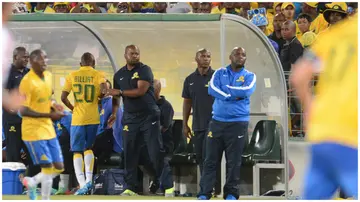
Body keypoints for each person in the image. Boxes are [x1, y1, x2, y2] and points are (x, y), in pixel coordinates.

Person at [289, 15, 358, 200]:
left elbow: (299, 75)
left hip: (322, 130)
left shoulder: (332, 36)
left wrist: (310, 109)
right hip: (350, 133)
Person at [198, 47, 256, 200]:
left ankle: (231, 193)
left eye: (244, 54)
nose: (241, 57)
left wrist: (226, 92)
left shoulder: (250, 76)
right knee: (210, 160)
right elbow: (212, 89)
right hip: (217, 122)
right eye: (237, 54)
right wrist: (233, 95)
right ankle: (205, 192)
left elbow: (246, 91)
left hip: (238, 123)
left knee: (234, 161)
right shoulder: (219, 72)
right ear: (230, 57)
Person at [105, 45, 163, 196]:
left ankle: (163, 182)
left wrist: (120, 91)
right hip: (130, 119)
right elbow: (117, 98)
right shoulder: (119, 75)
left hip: (147, 116)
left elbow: (140, 91)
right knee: (129, 152)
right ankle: (131, 187)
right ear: (125, 55)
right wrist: (114, 112)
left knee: (154, 152)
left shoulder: (144, 70)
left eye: (137, 53)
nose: (135, 56)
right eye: (132, 53)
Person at [19, 49, 65, 200]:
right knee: (46, 167)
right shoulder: (27, 82)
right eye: (41, 59)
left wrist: (55, 106)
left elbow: (47, 99)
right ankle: (45, 199)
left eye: (46, 58)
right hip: (33, 131)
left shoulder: (49, 76)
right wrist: (49, 115)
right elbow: (23, 109)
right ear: (32, 62)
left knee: (59, 167)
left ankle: (32, 181)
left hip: (48, 128)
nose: (45, 61)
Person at [61, 52, 106, 195]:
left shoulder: (72, 75)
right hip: (93, 118)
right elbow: (104, 90)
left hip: (78, 118)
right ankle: (88, 182)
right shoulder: (99, 74)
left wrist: (72, 108)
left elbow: (63, 97)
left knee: (76, 150)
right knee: (88, 148)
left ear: (80, 64)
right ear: (93, 64)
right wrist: (99, 97)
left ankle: (81, 184)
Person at [182, 48, 214, 174]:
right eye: (203, 56)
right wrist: (185, 124)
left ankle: (213, 187)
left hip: (214, 124)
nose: (206, 58)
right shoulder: (190, 80)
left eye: (208, 56)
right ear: (196, 59)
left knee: (210, 156)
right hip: (197, 125)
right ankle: (205, 187)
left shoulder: (216, 77)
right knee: (200, 156)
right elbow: (187, 102)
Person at [3, 47, 30, 162]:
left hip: (27, 120)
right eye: (24, 57)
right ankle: (10, 179)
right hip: (12, 120)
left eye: (27, 57)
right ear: (15, 57)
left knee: (31, 153)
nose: (26, 59)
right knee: (13, 153)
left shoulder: (28, 73)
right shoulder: (7, 72)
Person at [151, 79, 175, 197]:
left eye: (152, 89)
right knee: (130, 153)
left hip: (164, 143)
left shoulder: (166, 106)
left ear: (158, 90)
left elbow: (164, 127)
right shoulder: (146, 104)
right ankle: (131, 187)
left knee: (162, 158)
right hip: (147, 142)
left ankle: (168, 188)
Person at [53, 110, 73, 195]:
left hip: (69, 145)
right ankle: (55, 187)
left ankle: (63, 187)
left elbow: (68, 135)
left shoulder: (67, 117)